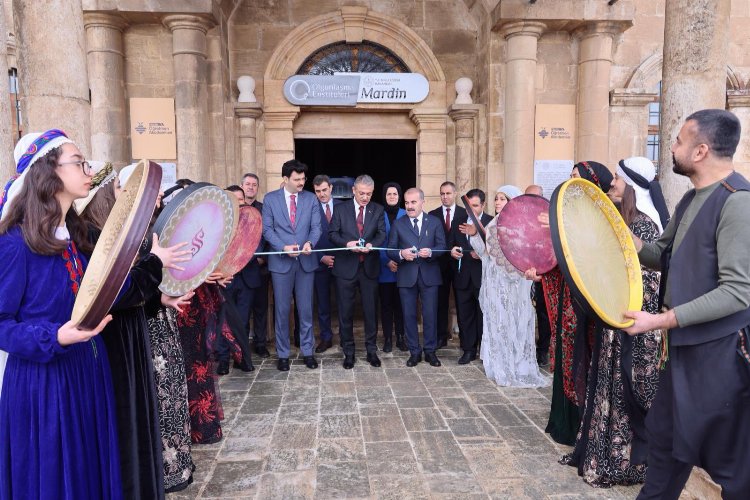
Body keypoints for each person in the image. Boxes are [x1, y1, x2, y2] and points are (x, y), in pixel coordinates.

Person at [624, 109, 750, 499]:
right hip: (682, 354)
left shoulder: (737, 203)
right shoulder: (691, 199)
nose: (672, 148)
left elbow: (738, 291)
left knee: (731, 469)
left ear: (700, 151)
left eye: (678, 140)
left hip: (722, 356)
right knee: (664, 444)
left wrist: (661, 321)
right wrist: (612, 234)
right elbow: (661, 253)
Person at [0, 129, 122, 499]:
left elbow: (96, 291)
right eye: (78, 162)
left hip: (86, 370)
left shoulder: (76, 237)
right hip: (44, 384)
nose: (88, 170)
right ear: (47, 173)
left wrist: (159, 293)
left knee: (88, 472)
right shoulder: (15, 244)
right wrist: (53, 337)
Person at [78, 162, 190, 499]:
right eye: (116, 191)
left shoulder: (122, 231)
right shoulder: (94, 237)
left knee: (149, 410)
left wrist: (160, 299)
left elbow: (132, 294)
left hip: (135, 330)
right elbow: (116, 292)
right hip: (115, 339)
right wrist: (155, 263)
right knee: (127, 420)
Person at [560, 155, 666, 487]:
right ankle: (603, 455)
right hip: (615, 323)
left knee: (630, 393)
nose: (613, 183)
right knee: (609, 389)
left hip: (636, 327)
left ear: (632, 185)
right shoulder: (624, 220)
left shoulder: (645, 226)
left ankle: (628, 463)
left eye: (618, 179)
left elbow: (648, 285)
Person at [533, 161, 612, 445]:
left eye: (575, 177)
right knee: (566, 351)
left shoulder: (601, 216)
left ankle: (583, 423)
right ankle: (564, 422)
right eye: (569, 176)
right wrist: (540, 271)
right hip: (568, 294)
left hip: (589, 303)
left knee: (584, 356)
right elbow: (557, 257)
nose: (570, 181)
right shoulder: (566, 212)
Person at [463, 186, 549, 387]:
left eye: (503, 198)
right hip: (494, 281)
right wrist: (475, 234)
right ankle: (498, 363)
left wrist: (512, 271)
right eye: (496, 198)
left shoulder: (520, 223)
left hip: (512, 282)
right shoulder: (494, 222)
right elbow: (485, 253)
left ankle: (516, 364)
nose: (498, 202)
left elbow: (523, 254)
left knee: (514, 321)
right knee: (497, 321)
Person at [262, 159, 322, 371]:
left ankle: (308, 351)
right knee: (282, 310)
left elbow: (316, 228)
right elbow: (267, 230)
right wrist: (283, 247)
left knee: (306, 310)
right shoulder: (270, 200)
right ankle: (283, 354)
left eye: (303, 178)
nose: (301, 183)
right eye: (297, 179)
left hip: (306, 262)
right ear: (285, 179)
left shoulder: (311, 199)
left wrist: (309, 243)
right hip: (281, 263)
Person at [329, 175, 386, 369]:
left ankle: (371, 351)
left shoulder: (377, 209)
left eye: (369, 194)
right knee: (345, 313)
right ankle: (349, 352)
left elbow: (382, 234)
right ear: (353, 190)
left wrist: (372, 245)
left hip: (369, 268)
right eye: (362, 193)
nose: (365, 197)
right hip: (345, 268)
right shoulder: (339, 209)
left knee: (371, 312)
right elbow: (332, 234)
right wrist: (347, 244)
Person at [387, 188, 446, 367]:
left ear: (422, 202)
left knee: (430, 314)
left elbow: (442, 246)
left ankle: (430, 351)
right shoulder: (398, 224)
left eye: (413, 202)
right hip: (406, 276)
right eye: (407, 203)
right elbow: (390, 250)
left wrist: (432, 252)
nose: (410, 206)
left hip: (430, 276)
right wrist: (401, 254)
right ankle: (414, 351)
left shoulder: (434, 222)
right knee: (409, 315)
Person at [449, 188, 492, 364]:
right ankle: (468, 350)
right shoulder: (458, 220)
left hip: (483, 276)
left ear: (483, 205)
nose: (471, 210)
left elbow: (495, 250)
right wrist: (452, 251)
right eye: (469, 206)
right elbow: (450, 243)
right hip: (463, 275)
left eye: (475, 206)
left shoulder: (491, 222)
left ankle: (484, 349)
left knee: (483, 315)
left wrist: (482, 254)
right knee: (465, 315)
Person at [216, 185, 256, 375]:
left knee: (242, 321)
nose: (239, 203)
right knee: (223, 321)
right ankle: (223, 360)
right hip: (225, 279)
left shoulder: (252, 221)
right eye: (235, 200)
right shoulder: (218, 223)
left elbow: (256, 243)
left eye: (241, 200)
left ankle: (241, 358)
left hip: (246, 278)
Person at [429, 181, 466, 348]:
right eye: (442, 194)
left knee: (462, 302)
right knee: (440, 302)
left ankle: (466, 339)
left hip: (460, 265)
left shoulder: (465, 214)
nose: (445, 197)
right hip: (439, 265)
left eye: (448, 193)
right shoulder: (432, 214)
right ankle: (440, 337)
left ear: (455, 193)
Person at [239, 173, 270, 359]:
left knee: (260, 308)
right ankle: (242, 347)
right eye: (248, 184)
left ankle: (260, 344)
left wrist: (263, 258)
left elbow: (268, 235)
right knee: (242, 311)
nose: (251, 187)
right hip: (237, 270)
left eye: (254, 184)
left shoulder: (264, 210)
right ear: (242, 186)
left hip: (259, 268)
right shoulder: (234, 209)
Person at [312, 175, 340, 353]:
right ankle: (326, 337)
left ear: (330, 188)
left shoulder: (343, 207)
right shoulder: (311, 208)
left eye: (324, 190)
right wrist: (321, 257)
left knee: (344, 302)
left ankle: (346, 337)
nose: (321, 194)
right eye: (317, 191)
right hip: (319, 263)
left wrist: (339, 258)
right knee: (322, 304)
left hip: (341, 263)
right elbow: (306, 235)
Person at [524, 184, 551, 367]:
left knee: (543, 314)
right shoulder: (519, 216)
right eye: (528, 197)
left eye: (535, 197)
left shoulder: (549, 217)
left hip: (543, 273)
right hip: (523, 272)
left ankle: (542, 350)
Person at [378, 182, 407, 352]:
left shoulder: (405, 213)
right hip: (384, 268)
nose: (392, 197)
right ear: (384, 196)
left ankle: (401, 337)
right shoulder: (378, 214)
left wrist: (399, 259)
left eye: (395, 194)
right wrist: (387, 260)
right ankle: (388, 338)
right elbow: (376, 240)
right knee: (386, 305)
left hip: (403, 267)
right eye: (389, 194)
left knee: (401, 305)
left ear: (399, 196)